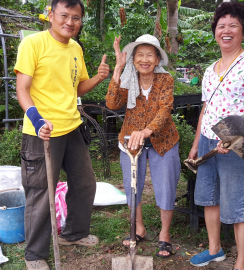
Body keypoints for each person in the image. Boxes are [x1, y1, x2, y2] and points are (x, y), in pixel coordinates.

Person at [14, 0, 109, 269]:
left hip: (72, 126)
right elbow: (23, 88)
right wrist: (36, 118)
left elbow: (76, 89)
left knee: (84, 184)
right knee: (41, 191)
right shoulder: (33, 44)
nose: (70, 22)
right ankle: (34, 254)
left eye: (76, 18)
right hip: (42, 131)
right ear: (51, 15)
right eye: (64, 15)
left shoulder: (75, 48)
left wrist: (99, 78)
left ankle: (74, 234)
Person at [187, 2, 244, 270]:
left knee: (237, 203)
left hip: (237, 142)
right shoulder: (210, 70)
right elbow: (206, 110)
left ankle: (241, 264)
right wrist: (197, 144)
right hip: (211, 141)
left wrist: (232, 138)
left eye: (233, 25)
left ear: (243, 30)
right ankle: (215, 250)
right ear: (215, 31)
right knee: (209, 198)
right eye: (221, 25)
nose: (226, 30)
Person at [106, 34, 180, 258]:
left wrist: (147, 131)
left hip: (163, 140)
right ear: (134, 59)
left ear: (157, 59)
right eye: (140, 55)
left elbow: (164, 110)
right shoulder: (128, 78)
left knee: (165, 186)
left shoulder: (165, 80)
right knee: (132, 187)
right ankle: (138, 229)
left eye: (150, 55)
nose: (145, 59)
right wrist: (118, 69)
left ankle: (164, 236)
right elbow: (112, 103)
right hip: (131, 141)